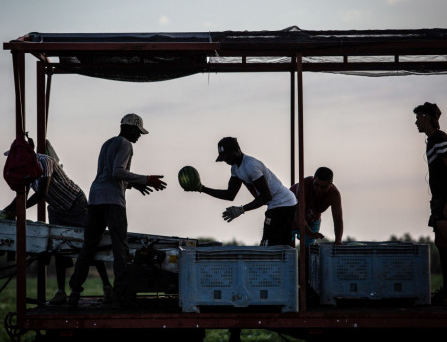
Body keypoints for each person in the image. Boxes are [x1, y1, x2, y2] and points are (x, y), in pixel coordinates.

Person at [68, 113, 167, 308]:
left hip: (96, 198)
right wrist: (147, 179)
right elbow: (117, 172)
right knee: (120, 248)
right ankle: (121, 296)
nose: (139, 137)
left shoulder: (107, 143)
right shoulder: (125, 144)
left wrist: (133, 185)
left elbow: (107, 174)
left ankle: (74, 293)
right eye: (138, 132)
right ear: (129, 128)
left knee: (88, 247)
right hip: (113, 201)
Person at [2, 139, 113, 304]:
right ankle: (61, 291)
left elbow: (41, 193)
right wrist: (8, 210)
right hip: (56, 208)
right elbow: (22, 196)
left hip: (74, 203)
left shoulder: (45, 162)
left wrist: (16, 209)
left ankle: (107, 286)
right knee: (58, 248)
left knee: (89, 243)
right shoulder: (25, 171)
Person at [186, 137, 297, 246]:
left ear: (237, 150)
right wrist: (202, 188)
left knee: (269, 246)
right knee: (275, 246)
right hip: (277, 205)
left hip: (283, 203)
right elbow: (230, 194)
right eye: (224, 158)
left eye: (228, 156)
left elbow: (266, 196)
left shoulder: (251, 165)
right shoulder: (235, 168)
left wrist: (241, 209)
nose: (226, 161)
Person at [414, 102, 447, 305]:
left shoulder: (439, 139)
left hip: (444, 198)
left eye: (418, 117)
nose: (416, 122)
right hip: (438, 199)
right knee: (440, 243)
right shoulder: (432, 140)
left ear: (426, 117)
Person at [290, 167, 343, 246]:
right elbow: (298, 216)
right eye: (316, 185)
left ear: (330, 184)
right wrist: (310, 234)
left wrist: (338, 241)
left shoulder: (334, 194)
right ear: (313, 179)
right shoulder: (304, 185)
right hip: (290, 217)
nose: (319, 189)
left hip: (312, 219)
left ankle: (307, 256)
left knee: (309, 250)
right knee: (288, 250)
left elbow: (338, 220)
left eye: (323, 187)